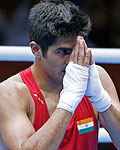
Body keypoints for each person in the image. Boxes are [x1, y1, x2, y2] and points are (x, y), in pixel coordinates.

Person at [0, 0, 120, 150]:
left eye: (76, 49)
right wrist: (69, 101)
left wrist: (101, 100)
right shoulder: (12, 93)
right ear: (36, 49)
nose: (72, 61)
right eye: (63, 52)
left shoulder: (97, 78)